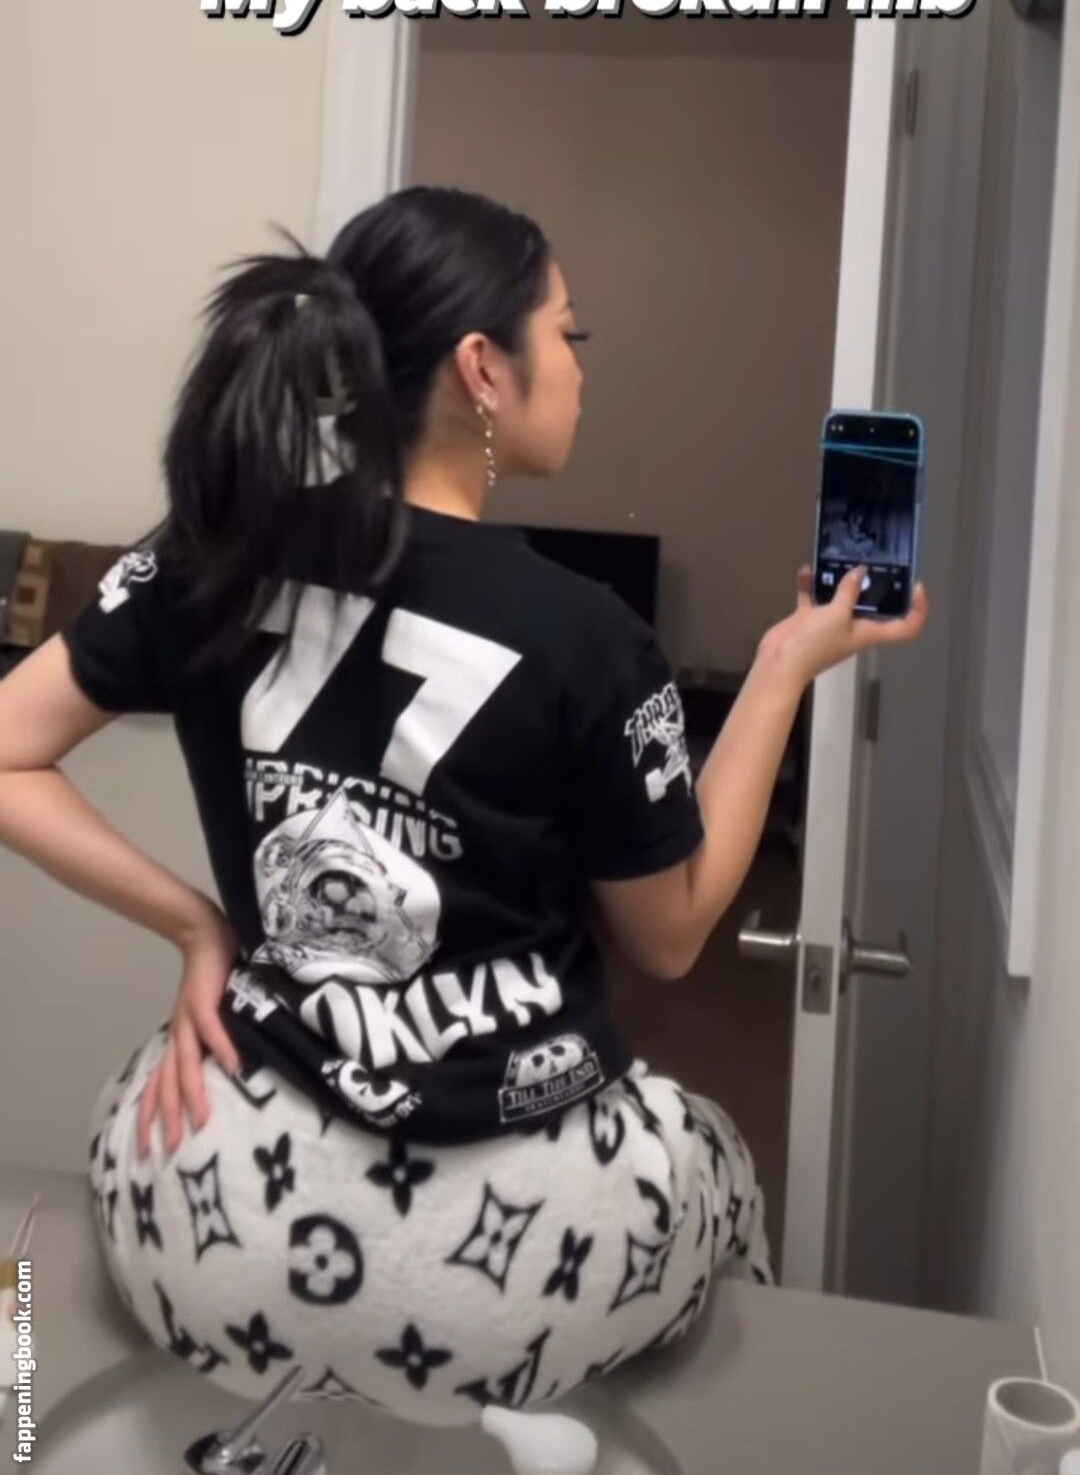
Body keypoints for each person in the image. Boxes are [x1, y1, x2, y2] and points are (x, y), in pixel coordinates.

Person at [0, 186, 927, 1426]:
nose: (581, 370)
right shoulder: (589, 635)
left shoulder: (212, 552)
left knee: (114, 1158)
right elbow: (671, 933)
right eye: (568, 335)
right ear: (485, 369)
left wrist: (195, 926)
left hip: (217, 1223)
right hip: (520, 1267)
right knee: (714, 1158)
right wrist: (782, 669)